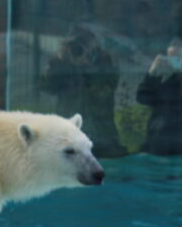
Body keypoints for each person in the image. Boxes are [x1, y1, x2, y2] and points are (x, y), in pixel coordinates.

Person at [39, 28, 126, 158]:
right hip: (69, 137)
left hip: (101, 137)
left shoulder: (104, 62)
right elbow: (46, 87)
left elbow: (102, 91)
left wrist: (86, 66)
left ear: (94, 46)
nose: (78, 50)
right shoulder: (63, 64)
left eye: (83, 44)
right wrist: (59, 62)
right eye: (73, 46)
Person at [136, 39, 182, 156]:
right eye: (170, 57)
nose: (174, 61)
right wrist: (151, 73)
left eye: (178, 57)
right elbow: (141, 98)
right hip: (156, 146)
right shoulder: (163, 81)